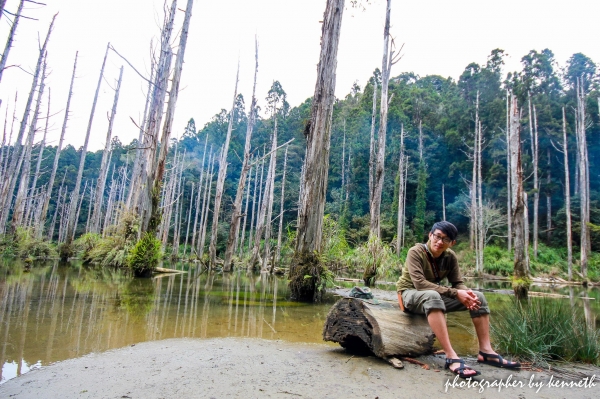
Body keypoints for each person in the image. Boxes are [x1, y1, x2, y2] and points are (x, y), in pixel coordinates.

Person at [396, 221, 520, 378]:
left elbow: (457, 283)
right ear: (430, 235)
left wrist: (466, 293)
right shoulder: (416, 252)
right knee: (432, 296)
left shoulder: (450, 256)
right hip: (409, 294)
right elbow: (420, 284)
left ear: (452, 243)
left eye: (446, 239)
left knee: (479, 297)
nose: (440, 242)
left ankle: (486, 351)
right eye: (437, 236)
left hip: (431, 295)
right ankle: (451, 355)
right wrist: (455, 293)